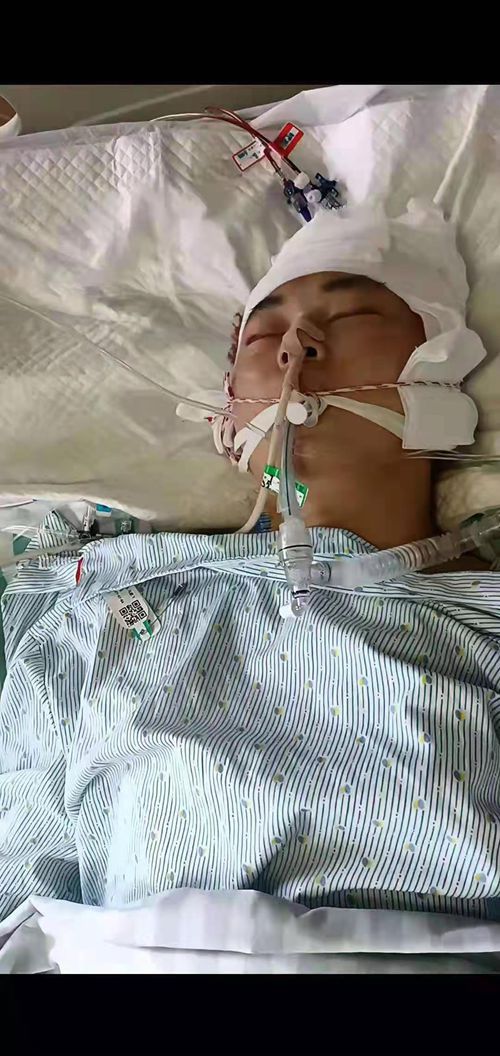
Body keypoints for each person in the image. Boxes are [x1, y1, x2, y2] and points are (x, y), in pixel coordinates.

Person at [1, 200, 499, 929]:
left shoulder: (482, 621)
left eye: (354, 316)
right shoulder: (102, 613)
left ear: (440, 375)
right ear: (227, 410)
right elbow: (20, 888)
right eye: (264, 334)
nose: (297, 346)